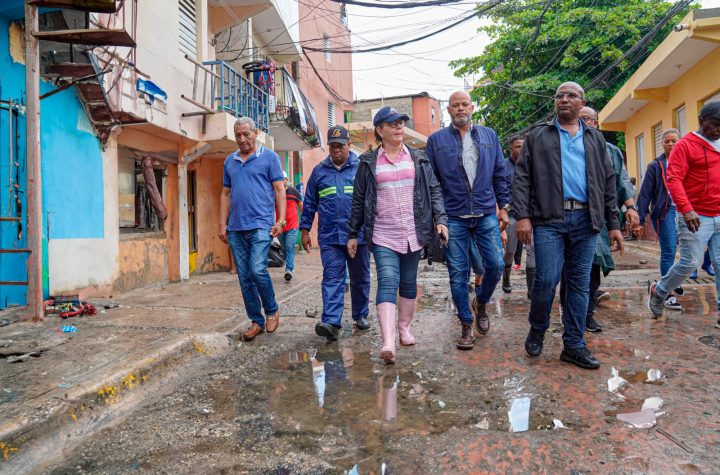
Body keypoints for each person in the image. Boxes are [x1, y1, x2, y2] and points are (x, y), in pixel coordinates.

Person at [513, 82, 623, 370]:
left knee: (579, 285)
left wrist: (613, 224)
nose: (564, 99)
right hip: (549, 220)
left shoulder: (595, 139)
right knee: (546, 279)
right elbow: (522, 177)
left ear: (581, 102)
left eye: (571, 95)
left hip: (586, 221)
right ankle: (538, 327)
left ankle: (573, 345)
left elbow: (607, 182)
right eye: (559, 95)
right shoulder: (538, 136)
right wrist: (522, 216)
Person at [348, 106, 448, 364]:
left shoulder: (419, 158)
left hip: (413, 232)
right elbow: (359, 200)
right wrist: (352, 233)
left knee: (408, 283)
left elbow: (434, 191)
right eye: (392, 124)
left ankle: (404, 328)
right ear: (380, 131)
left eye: (400, 123)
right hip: (383, 234)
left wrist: (441, 220)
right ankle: (388, 340)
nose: (398, 127)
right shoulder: (369, 163)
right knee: (388, 281)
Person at [426, 91, 510, 350]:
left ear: (472, 107)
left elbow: (499, 173)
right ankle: (465, 324)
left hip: (485, 213)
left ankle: (481, 302)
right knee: (458, 274)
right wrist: (438, 217)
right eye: (455, 105)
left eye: (465, 104)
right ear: (448, 110)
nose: (460, 108)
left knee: (495, 265)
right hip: (454, 217)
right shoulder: (436, 141)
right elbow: (433, 183)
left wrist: (504, 207)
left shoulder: (489, 136)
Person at [557, 106, 640, 333]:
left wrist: (631, 208)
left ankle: (587, 314)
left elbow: (622, 182)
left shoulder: (610, 150)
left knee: (592, 268)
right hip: (571, 216)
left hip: (602, 219)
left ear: (596, 123)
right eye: (580, 118)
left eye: (588, 119)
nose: (584, 123)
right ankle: (571, 314)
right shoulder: (565, 146)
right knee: (571, 269)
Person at [647, 101, 720, 329]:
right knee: (690, 263)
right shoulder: (685, 145)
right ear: (702, 121)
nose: (719, 130)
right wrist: (686, 209)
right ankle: (659, 291)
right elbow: (674, 179)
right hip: (695, 215)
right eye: (716, 125)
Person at [300, 126, 371, 341]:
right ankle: (331, 322)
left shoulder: (361, 168)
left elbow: (371, 201)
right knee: (332, 278)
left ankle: (360, 315)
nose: (337, 150)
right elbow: (310, 203)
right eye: (333, 146)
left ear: (349, 145)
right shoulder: (319, 171)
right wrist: (305, 230)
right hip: (330, 236)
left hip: (358, 236)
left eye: (341, 146)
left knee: (360, 277)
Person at [219, 117, 285, 341]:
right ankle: (256, 320)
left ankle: (272, 310)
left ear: (256, 133)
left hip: (261, 224)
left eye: (246, 134)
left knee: (257, 270)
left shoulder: (269, 158)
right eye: (238, 135)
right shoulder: (230, 161)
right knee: (244, 276)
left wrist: (281, 220)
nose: (242, 139)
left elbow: (279, 190)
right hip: (236, 228)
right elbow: (225, 194)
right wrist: (222, 225)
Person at [637, 128, 683, 309]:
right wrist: (640, 219)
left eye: (674, 141)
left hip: (687, 211)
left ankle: (670, 281)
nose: (671, 144)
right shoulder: (655, 166)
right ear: (662, 144)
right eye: (667, 141)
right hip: (666, 213)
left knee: (689, 254)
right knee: (669, 252)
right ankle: (667, 293)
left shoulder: (688, 162)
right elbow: (645, 194)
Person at [501, 135, 536, 297]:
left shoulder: (533, 165)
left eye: (523, 146)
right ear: (511, 149)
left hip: (531, 215)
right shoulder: (503, 167)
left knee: (532, 250)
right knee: (510, 251)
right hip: (512, 215)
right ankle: (506, 278)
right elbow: (500, 190)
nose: (521, 149)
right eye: (517, 146)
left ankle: (531, 289)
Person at [277, 171, 303, 281]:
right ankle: (289, 266)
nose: (280, 181)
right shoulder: (275, 193)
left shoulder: (294, 192)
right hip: (280, 227)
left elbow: (302, 207)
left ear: (286, 180)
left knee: (289, 246)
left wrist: (306, 222)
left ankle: (289, 269)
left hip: (293, 225)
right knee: (284, 248)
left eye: (282, 179)